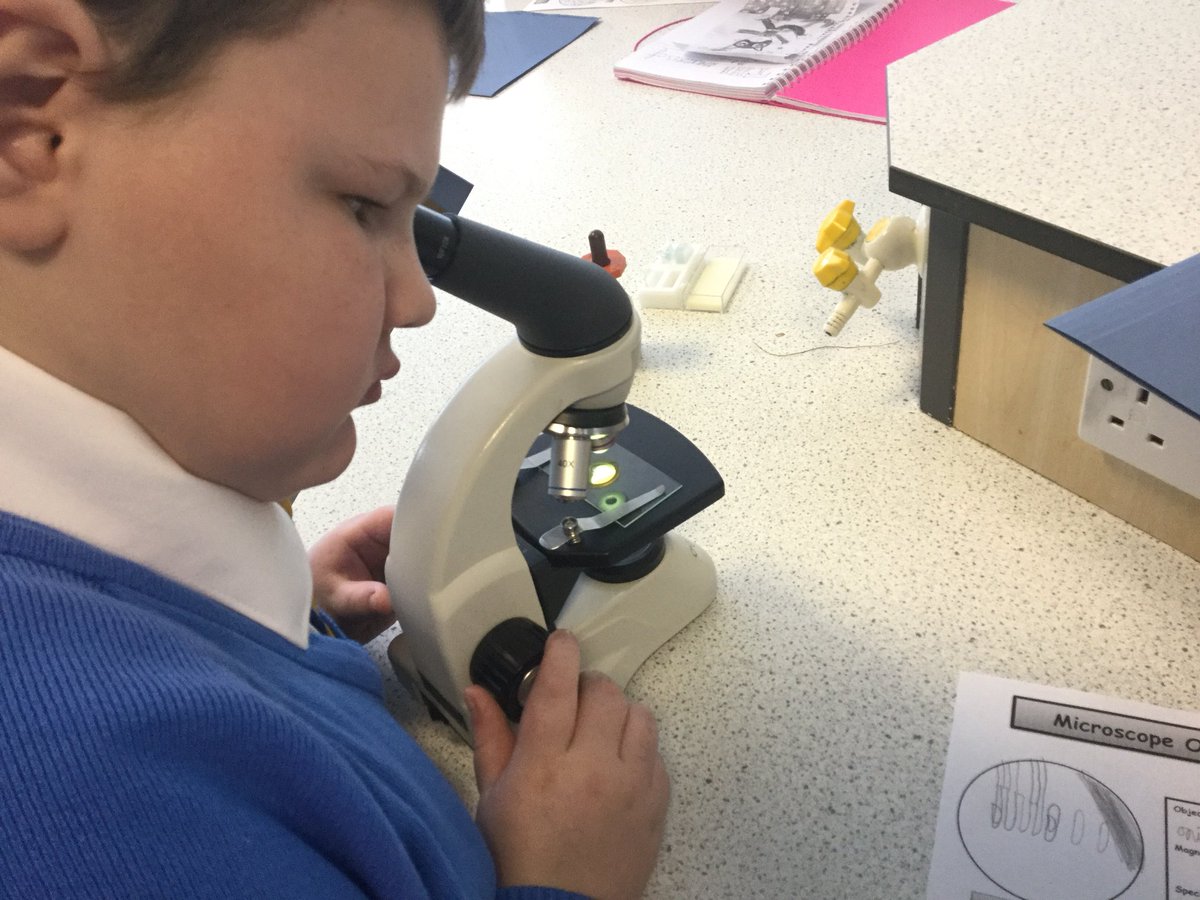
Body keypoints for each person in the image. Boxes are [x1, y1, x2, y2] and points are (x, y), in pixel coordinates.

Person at [0, 0, 668, 897]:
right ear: (28, 118)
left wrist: (274, 619)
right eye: (362, 206)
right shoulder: (91, 809)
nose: (418, 299)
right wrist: (569, 883)